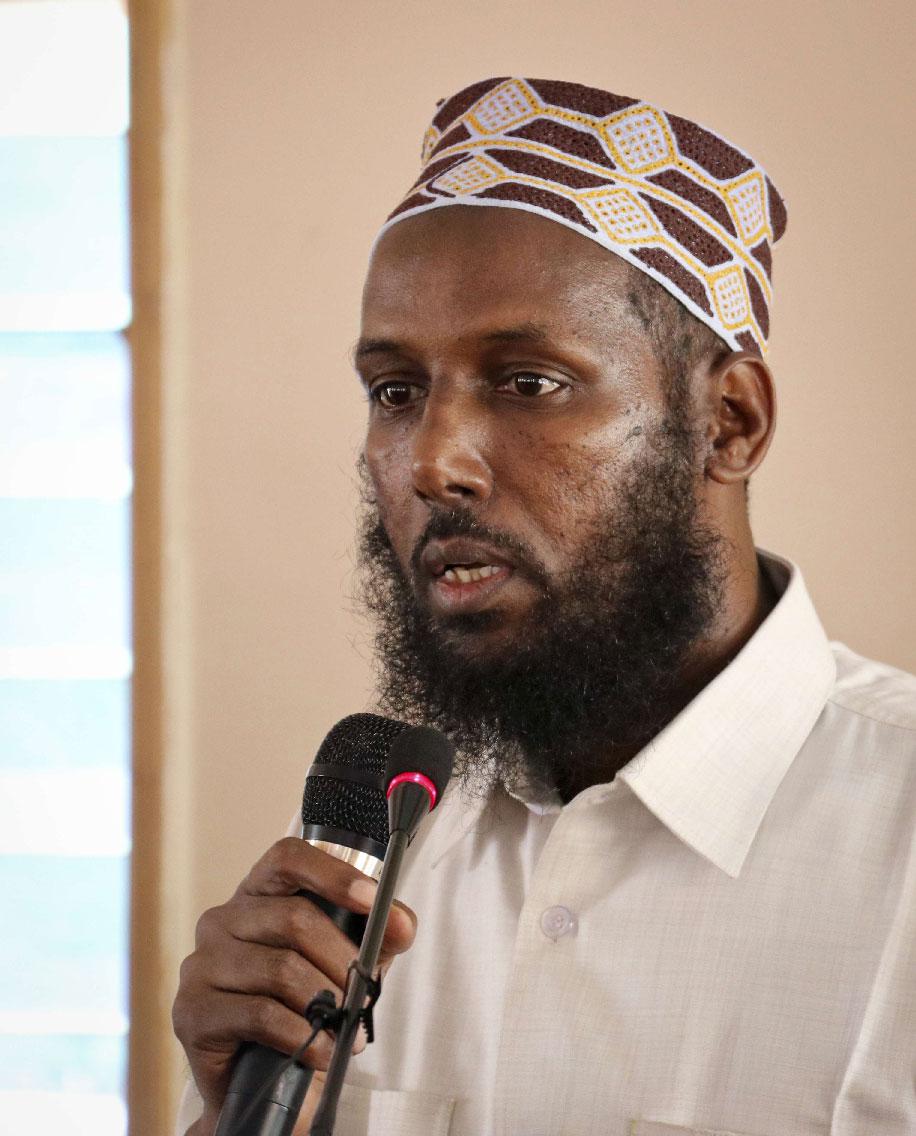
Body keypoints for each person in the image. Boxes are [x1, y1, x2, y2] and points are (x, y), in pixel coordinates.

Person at [172, 78, 916, 1135]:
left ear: (729, 423)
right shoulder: (375, 843)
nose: (432, 461)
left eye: (527, 382)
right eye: (395, 390)